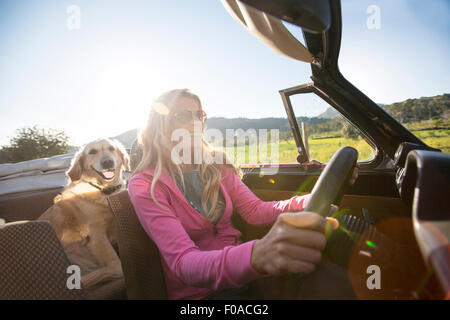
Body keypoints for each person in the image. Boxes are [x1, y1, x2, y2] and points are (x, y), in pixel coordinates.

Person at [128, 88, 359, 300]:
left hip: (247, 277)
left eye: (199, 115)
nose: (196, 123)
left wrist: (313, 199)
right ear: (161, 125)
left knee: (335, 276)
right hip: (203, 296)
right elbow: (183, 262)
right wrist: (256, 255)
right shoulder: (146, 185)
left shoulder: (215, 166)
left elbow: (255, 211)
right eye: (183, 117)